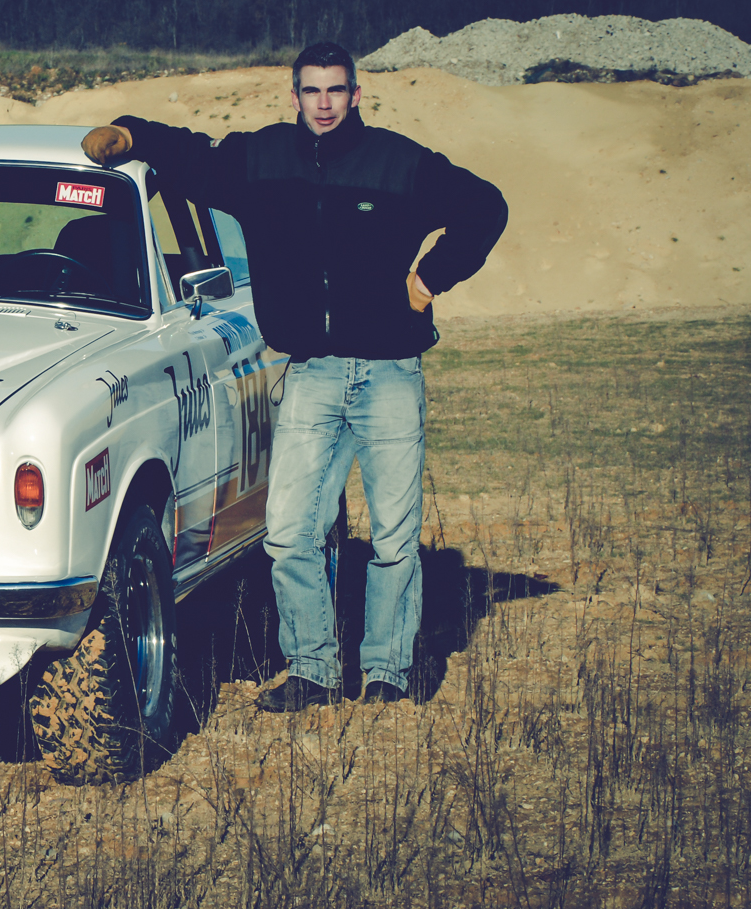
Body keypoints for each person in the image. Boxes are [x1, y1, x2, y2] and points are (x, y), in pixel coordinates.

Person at [81, 41, 507, 711]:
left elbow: (485, 206)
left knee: (395, 539)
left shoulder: (398, 162)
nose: (324, 103)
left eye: (336, 90)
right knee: (286, 533)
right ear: (295, 95)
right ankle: (313, 668)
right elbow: (190, 156)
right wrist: (132, 133)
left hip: (390, 375)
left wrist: (429, 278)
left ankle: (387, 670)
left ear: (356, 94)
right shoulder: (262, 161)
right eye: (312, 90)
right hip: (311, 375)